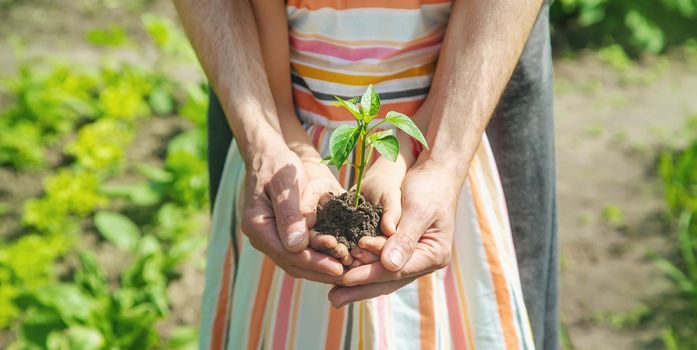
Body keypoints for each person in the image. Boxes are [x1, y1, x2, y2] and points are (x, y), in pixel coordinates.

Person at [175, 0, 557, 349]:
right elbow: (275, 98)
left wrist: (438, 158)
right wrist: (271, 144)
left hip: (454, 118)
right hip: (291, 150)